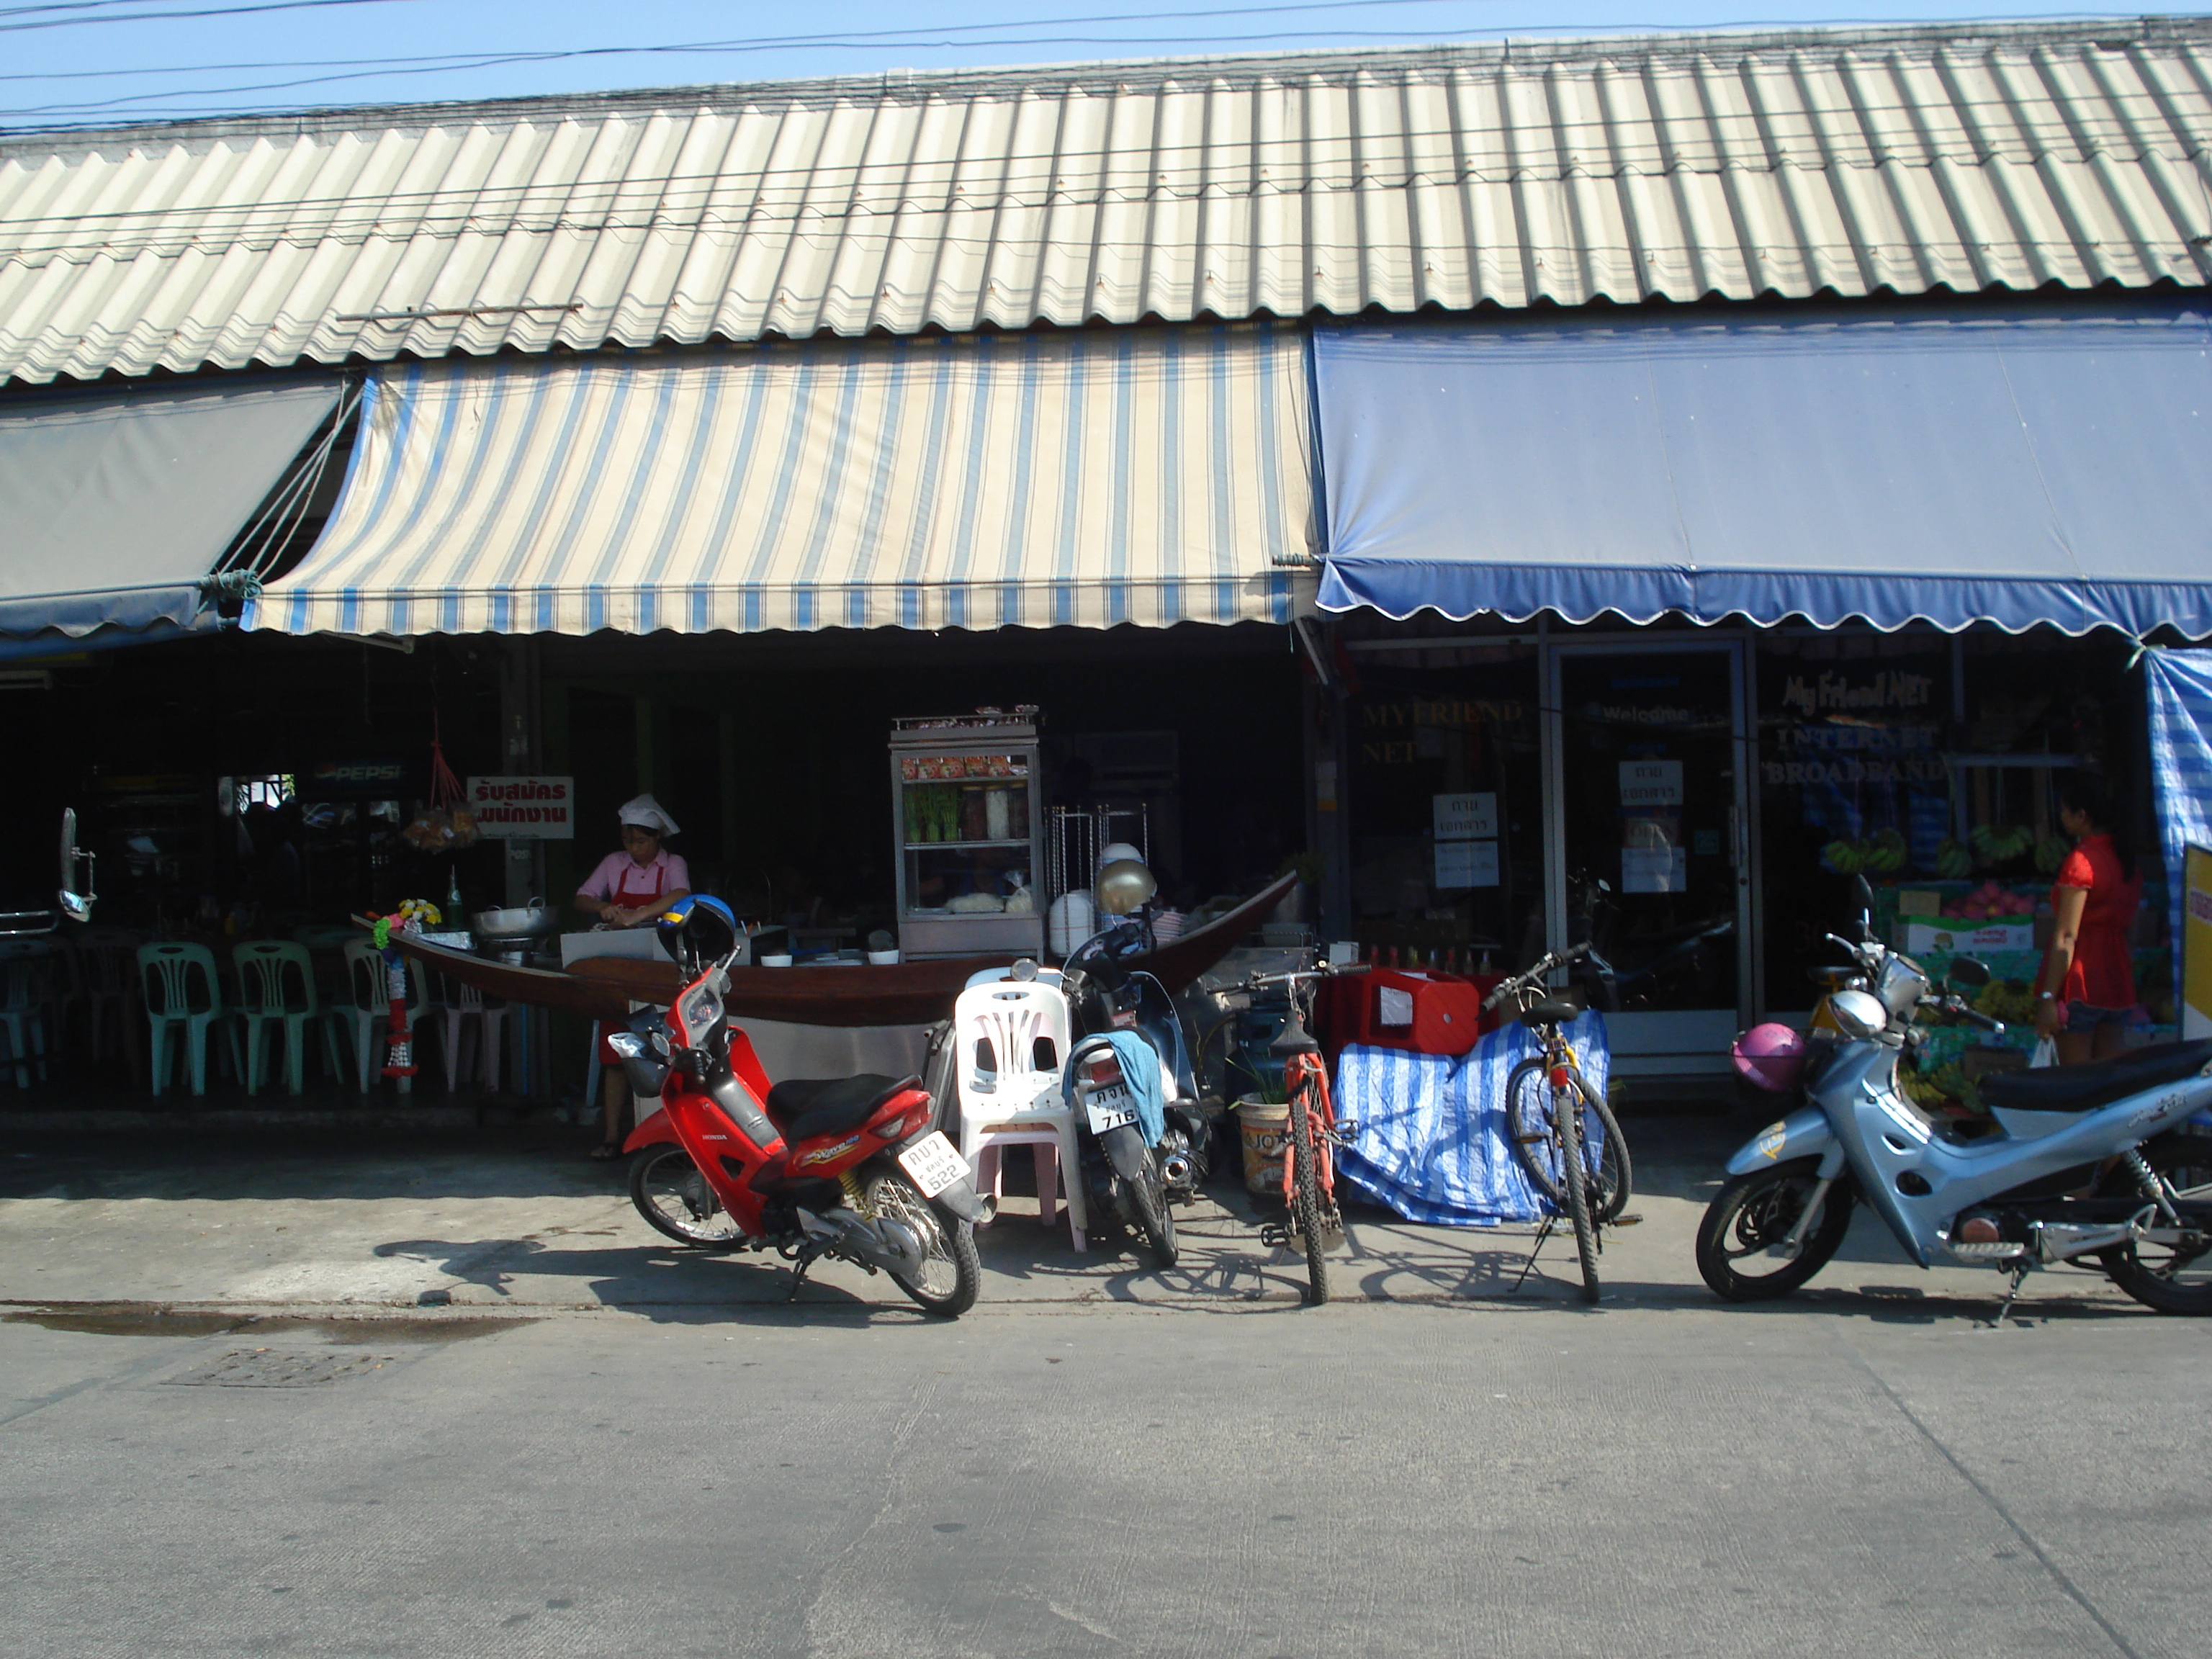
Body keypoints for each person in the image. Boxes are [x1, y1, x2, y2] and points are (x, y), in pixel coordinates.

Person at [573, 795, 691, 1157]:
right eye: (627, 840)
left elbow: (681, 894)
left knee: (665, 1053)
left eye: (639, 841)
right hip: (622, 970)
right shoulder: (613, 864)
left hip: (662, 968)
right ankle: (611, 1137)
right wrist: (604, 907)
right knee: (615, 1055)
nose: (633, 848)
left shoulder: (673, 864)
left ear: (656, 839)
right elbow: (582, 898)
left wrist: (638, 915)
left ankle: (670, 1139)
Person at [2033, 773, 2143, 1066]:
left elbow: (2067, 937)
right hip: (2117, 977)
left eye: (2065, 810)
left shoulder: (2081, 861)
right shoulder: (2125, 858)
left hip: (2080, 980)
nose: (2061, 815)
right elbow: (2130, 931)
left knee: (2077, 1082)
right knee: (2110, 1077)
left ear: (2082, 816)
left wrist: (2047, 997)